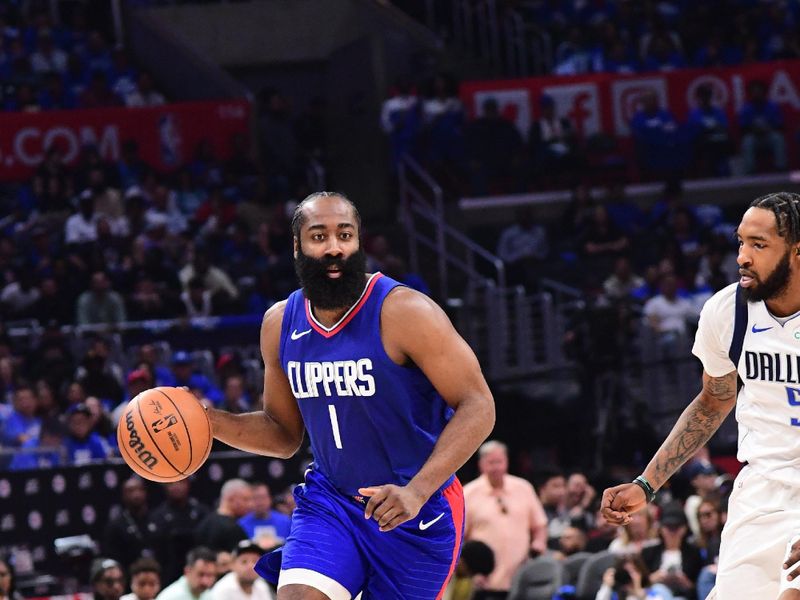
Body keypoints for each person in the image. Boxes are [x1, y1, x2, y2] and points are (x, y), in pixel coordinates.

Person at [204, 191, 495, 598]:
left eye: (345, 235)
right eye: (319, 237)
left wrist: (417, 489)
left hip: (416, 508)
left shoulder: (405, 312)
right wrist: (210, 423)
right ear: (297, 246)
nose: (334, 248)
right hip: (332, 501)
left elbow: (478, 404)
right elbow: (283, 434)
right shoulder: (279, 324)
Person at [602, 192, 800, 599]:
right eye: (740, 241)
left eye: (759, 245)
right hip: (761, 492)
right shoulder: (727, 311)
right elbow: (713, 401)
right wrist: (647, 484)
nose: (742, 256)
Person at [463, 440, 548, 593]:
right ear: (481, 464)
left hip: (521, 579)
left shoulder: (524, 488)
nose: (496, 467)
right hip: (482, 581)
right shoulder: (468, 493)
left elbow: (539, 525)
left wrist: (538, 545)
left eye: (499, 462)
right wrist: (471, 569)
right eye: (491, 462)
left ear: (506, 462)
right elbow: (459, 538)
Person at [194, 479, 251, 552]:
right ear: (232, 498)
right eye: (245, 499)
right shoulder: (233, 529)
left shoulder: (203, 524)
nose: (249, 505)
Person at [211, 540, 275, 599]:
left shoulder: (262, 586)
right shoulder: (223, 589)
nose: (250, 566)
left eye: (255, 561)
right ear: (232, 565)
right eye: (244, 561)